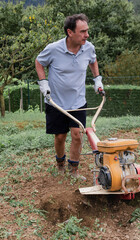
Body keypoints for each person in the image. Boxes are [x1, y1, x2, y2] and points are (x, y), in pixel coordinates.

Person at [35, 13, 103, 180]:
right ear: (70, 32)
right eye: (82, 31)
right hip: (55, 102)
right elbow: (39, 62)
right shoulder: (53, 49)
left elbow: (93, 61)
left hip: (78, 101)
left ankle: (74, 171)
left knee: (77, 135)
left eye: (87, 31)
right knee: (60, 136)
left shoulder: (88, 47)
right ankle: (60, 165)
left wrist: (97, 80)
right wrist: (43, 83)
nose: (86, 35)